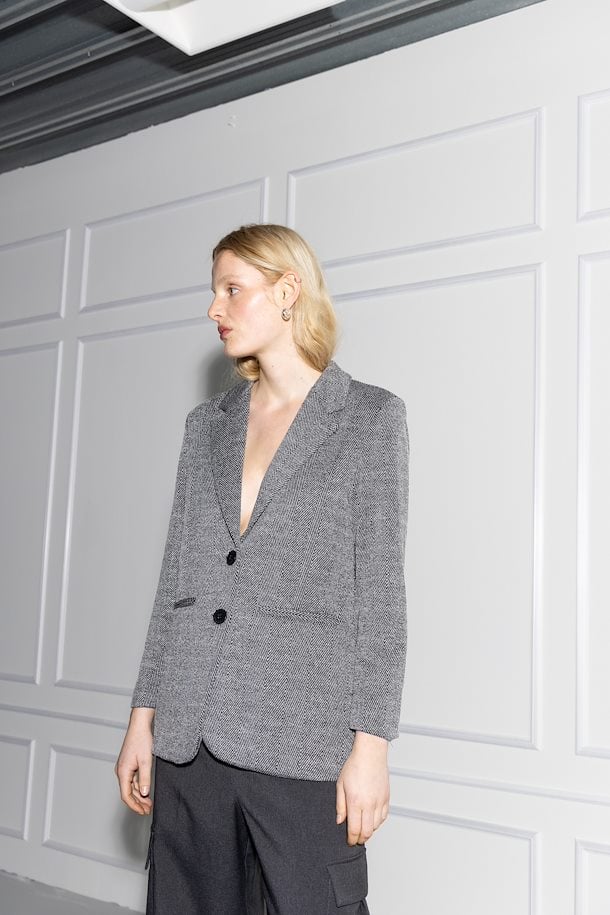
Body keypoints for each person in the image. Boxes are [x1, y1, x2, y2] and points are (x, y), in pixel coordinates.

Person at [115, 223, 410, 915]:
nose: (214, 308)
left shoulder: (370, 419)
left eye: (232, 289)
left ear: (287, 291)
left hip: (302, 743)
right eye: (214, 291)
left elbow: (381, 599)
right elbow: (176, 585)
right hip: (190, 741)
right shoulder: (206, 426)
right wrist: (142, 718)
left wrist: (371, 747)